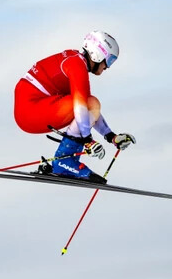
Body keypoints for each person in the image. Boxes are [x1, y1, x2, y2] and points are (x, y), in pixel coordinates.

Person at [13, 31, 136, 183]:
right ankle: (63, 162)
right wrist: (87, 140)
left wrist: (111, 136)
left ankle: (65, 161)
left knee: (90, 103)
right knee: (88, 104)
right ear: (97, 54)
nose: (107, 67)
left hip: (32, 107)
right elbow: (81, 108)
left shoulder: (77, 61)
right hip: (30, 110)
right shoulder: (77, 65)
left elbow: (89, 109)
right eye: (109, 60)